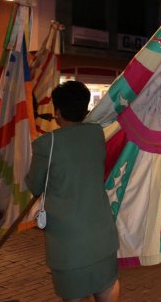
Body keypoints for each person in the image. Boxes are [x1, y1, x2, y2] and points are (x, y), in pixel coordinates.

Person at [25, 81, 120, 302]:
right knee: (107, 285)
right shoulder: (96, 134)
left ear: (57, 111)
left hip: (68, 241)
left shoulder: (45, 144)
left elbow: (35, 185)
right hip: (102, 233)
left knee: (73, 294)